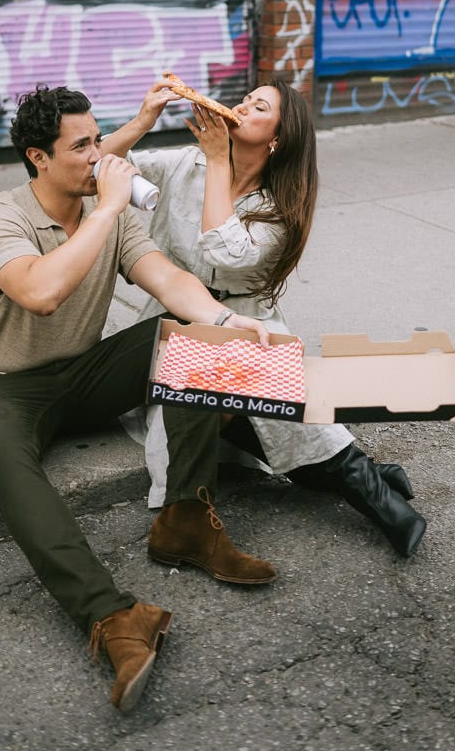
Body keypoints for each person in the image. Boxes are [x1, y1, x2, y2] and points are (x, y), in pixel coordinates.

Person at [0, 85, 279, 714]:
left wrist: (221, 318)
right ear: (37, 158)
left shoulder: (115, 215)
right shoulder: (1, 218)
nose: (99, 155)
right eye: (81, 146)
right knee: (6, 463)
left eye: (98, 140)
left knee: (193, 337)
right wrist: (106, 209)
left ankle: (184, 520)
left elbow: (166, 278)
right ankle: (115, 617)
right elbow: (40, 292)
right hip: (1, 388)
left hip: (82, 374)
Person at [101, 78, 427, 559]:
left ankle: (371, 492)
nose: (240, 106)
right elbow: (93, 167)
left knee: (266, 398)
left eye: (258, 107)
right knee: (236, 403)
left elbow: (223, 251)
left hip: (245, 320)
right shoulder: (183, 163)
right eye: (244, 99)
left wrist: (216, 160)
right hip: (177, 316)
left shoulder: (279, 207)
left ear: (276, 140)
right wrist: (143, 121)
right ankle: (368, 479)